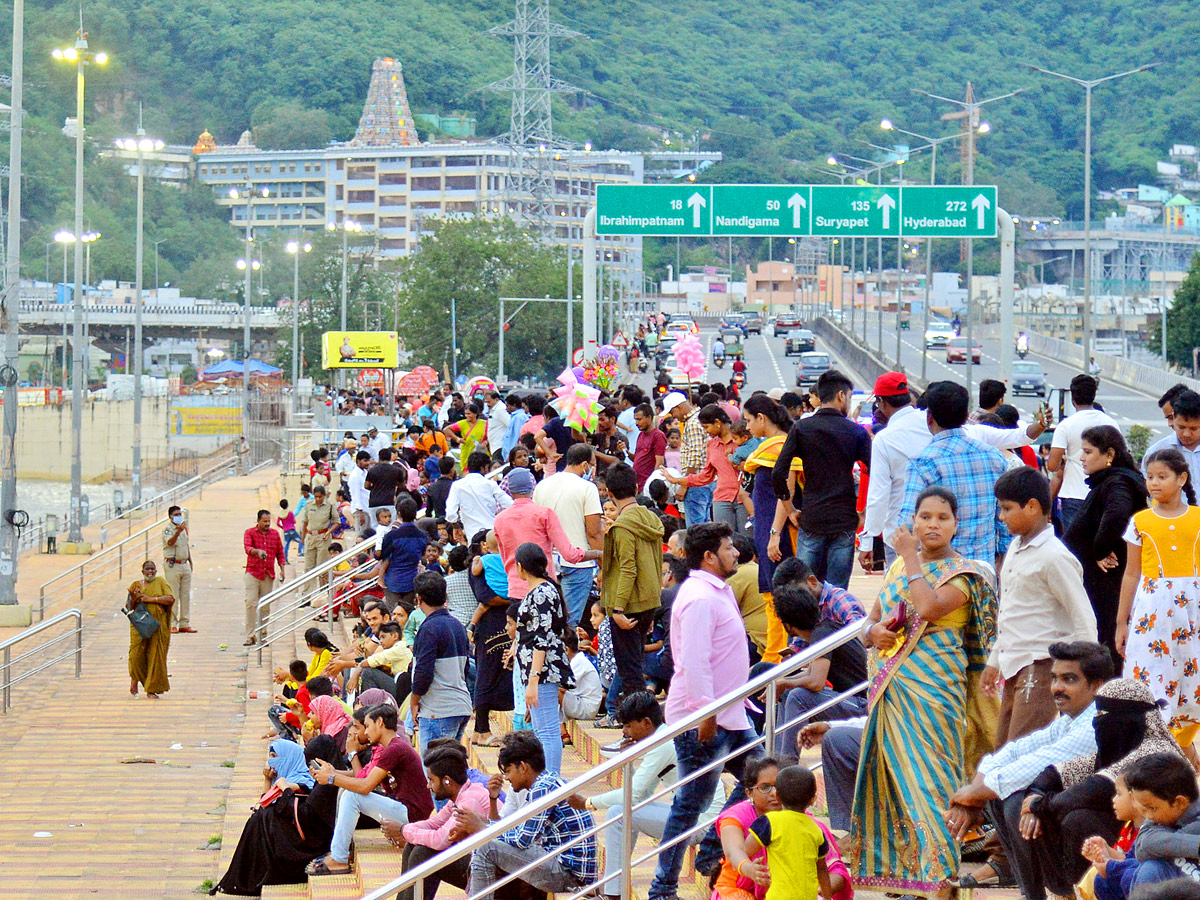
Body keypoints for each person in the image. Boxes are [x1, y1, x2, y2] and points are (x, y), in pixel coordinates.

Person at [849, 486, 999, 895]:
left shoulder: (966, 572)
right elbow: (874, 617)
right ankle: (904, 872)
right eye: (925, 516)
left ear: (956, 525)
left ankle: (940, 875)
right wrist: (871, 632)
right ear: (913, 520)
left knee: (933, 778)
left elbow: (930, 608)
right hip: (894, 687)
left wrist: (911, 556)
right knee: (896, 774)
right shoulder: (899, 567)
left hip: (936, 689)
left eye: (942, 518)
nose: (932, 524)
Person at [945, 640, 1115, 890]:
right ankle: (1034, 894)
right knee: (1007, 797)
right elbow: (1015, 751)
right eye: (1055, 678)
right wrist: (975, 795)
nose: (1057, 688)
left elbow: (1043, 763)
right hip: (1078, 811)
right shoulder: (1070, 719)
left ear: (1097, 686)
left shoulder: (1097, 723)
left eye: (1069, 680)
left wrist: (975, 794)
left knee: (1017, 800)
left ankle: (1059, 892)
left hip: (1108, 823)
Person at [646, 522, 755, 900]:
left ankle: (710, 851)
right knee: (690, 804)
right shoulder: (698, 597)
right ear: (709, 556)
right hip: (705, 720)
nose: (736, 552)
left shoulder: (715, 591)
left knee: (761, 779)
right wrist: (705, 716)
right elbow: (693, 663)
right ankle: (662, 888)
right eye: (728, 548)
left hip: (731, 715)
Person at [1009, 679, 1182, 900]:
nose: (1097, 722)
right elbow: (1056, 773)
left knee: (1078, 819)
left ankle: (1082, 892)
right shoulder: (1116, 750)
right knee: (1020, 804)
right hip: (1131, 841)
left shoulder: (1155, 750)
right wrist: (1035, 798)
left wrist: (1038, 804)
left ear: (1128, 717)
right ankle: (1056, 893)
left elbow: (1087, 792)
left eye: (1104, 714)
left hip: (1160, 852)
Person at [987, 466, 1098, 743]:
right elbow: (1009, 611)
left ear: (1033, 507)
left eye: (1007, 509)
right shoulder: (1014, 547)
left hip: (1042, 664)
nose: (1001, 517)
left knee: (1021, 753)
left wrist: (1089, 675)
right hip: (1013, 662)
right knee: (1003, 749)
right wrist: (994, 660)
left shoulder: (1054, 557)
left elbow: (1083, 616)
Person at [591, 692, 727, 900]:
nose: (625, 733)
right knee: (624, 810)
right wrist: (628, 759)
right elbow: (641, 794)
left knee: (618, 812)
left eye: (628, 726)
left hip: (702, 824)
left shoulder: (663, 743)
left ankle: (613, 892)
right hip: (692, 817)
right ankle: (614, 888)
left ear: (646, 723)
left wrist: (588, 802)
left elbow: (634, 794)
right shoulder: (661, 737)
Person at [457, 731, 597, 900]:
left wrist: (483, 828)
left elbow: (522, 840)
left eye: (508, 771)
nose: (507, 778)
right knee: (488, 842)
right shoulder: (547, 782)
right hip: (564, 866)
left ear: (523, 767)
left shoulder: (542, 788)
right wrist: (487, 819)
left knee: (486, 846)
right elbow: (515, 833)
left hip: (569, 874)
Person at [1117, 447, 1200, 732]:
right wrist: (1121, 622)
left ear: (1181, 478)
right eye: (1149, 477)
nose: (1154, 483)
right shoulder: (1140, 522)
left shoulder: (1198, 518)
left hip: (1193, 611)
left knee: (1191, 674)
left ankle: (1185, 743)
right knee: (1152, 673)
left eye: (1162, 476)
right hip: (1152, 613)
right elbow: (1131, 573)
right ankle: (1153, 741)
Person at [306, 703, 433, 877]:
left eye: (367, 726)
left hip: (413, 815)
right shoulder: (390, 747)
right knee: (347, 792)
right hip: (404, 809)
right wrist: (332, 772)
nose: (365, 732)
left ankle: (339, 857)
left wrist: (332, 778)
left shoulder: (395, 749)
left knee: (352, 795)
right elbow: (362, 777)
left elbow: (365, 786)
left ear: (379, 722)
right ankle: (339, 851)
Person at [771, 370, 871, 589]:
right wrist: (864, 513)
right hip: (844, 519)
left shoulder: (801, 428)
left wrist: (790, 510)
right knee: (836, 592)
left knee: (805, 587)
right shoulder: (856, 432)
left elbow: (778, 473)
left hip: (811, 517)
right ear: (841, 396)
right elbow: (875, 473)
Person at [1063, 425, 1149, 665]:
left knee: (1107, 639)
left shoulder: (1118, 483)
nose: (1081, 457)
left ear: (1109, 455)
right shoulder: (1110, 480)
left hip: (1107, 580)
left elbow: (1118, 514)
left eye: (1088, 452)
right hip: (1097, 580)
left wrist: (1100, 549)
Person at [898, 380, 1008, 566]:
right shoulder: (994, 456)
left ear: (929, 418)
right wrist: (1001, 561)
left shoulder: (923, 463)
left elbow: (909, 525)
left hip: (940, 572)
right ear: (966, 417)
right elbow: (1004, 520)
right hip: (983, 570)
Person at [212, 738, 340, 896]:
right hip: (307, 838)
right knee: (262, 819)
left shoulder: (321, 784)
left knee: (264, 820)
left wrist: (286, 789)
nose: (270, 762)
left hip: (314, 845)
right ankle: (249, 875)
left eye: (275, 756)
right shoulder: (319, 782)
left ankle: (250, 876)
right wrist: (269, 781)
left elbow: (307, 817)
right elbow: (265, 804)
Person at [769, 561, 867, 761]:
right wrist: (782, 682)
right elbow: (809, 674)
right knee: (787, 689)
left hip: (863, 703)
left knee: (797, 695)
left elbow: (816, 681)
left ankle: (785, 763)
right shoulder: (821, 629)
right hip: (848, 697)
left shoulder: (823, 632)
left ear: (789, 626)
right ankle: (773, 755)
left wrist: (784, 682)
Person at [390, 742, 492, 900]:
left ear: (446, 781)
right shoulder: (460, 795)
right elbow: (433, 823)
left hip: (489, 870)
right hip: (477, 861)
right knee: (414, 845)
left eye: (431, 780)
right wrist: (406, 830)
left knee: (425, 852)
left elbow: (440, 840)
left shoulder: (469, 801)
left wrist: (403, 830)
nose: (428, 786)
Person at [740, 394, 800, 663]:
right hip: (766, 530)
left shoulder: (782, 447)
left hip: (779, 534)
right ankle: (773, 654)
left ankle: (779, 657)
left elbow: (784, 494)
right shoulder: (771, 447)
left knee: (780, 595)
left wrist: (775, 533)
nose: (747, 427)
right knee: (770, 593)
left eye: (749, 421)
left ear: (762, 418)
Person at [600, 463, 664, 708]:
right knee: (635, 664)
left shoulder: (623, 525)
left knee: (630, 672)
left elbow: (628, 568)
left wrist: (617, 609)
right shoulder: (650, 517)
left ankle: (641, 726)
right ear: (637, 487)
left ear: (610, 494)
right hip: (648, 599)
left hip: (627, 604)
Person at [512, 542, 575, 775]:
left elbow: (541, 637)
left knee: (547, 729)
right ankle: (546, 779)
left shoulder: (542, 592)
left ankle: (551, 780)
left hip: (544, 670)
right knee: (540, 728)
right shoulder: (540, 590)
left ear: (521, 567)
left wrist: (533, 679)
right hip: (536, 669)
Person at [533, 444, 604, 629]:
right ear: (584, 465)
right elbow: (594, 531)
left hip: (548, 562)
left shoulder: (543, 485)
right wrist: (604, 562)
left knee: (548, 619)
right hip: (579, 562)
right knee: (569, 623)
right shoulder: (587, 488)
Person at [743, 765, 836, 900]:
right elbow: (822, 869)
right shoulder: (816, 830)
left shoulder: (769, 822)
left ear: (777, 796)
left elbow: (746, 850)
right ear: (813, 799)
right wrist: (828, 897)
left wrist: (751, 867)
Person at [1048, 374, 1120, 534]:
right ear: (1094, 396)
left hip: (1073, 496)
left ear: (1072, 398)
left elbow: (1052, 465)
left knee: (1075, 550)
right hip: (1104, 495)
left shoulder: (1066, 425)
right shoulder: (1111, 423)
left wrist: (1065, 460)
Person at [409, 571, 473, 746]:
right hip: (460, 705)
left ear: (419, 598)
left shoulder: (428, 628)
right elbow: (466, 668)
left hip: (438, 711)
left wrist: (414, 702)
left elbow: (423, 671)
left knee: (433, 770)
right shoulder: (458, 625)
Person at [661, 404, 747, 533]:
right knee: (725, 540)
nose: (706, 431)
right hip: (721, 498)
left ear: (717, 423)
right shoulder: (712, 445)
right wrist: (677, 481)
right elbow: (706, 476)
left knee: (747, 540)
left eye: (706, 427)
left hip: (744, 497)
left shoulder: (742, 440)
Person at [1121, 752, 1200, 890]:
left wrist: (1165, 845)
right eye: (1145, 809)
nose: (1149, 817)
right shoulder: (1160, 820)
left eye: (1152, 808)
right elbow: (1144, 845)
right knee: (1149, 869)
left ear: (1179, 802)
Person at [662, 392, 713, 526]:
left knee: (696, 527)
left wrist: (685, 484)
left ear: (679, 407)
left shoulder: (692, 424)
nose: (674, 417)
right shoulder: (698, 419)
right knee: (704, 524)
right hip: (704, 480)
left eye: (672, 413)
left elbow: (695, 457)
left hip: (696, 482)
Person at [127, 560, 174, 698]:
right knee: (135, 656)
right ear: (143, 572)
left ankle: (151, 689)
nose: (150, 572)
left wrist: (151, 600)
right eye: (147, 569)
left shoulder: (160, 582)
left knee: (155, 656)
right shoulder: (136, 585)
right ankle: (134, 680)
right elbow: (129, 606)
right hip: (139, 625)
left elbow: (170, 599)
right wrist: (134, 598)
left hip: (157, 625)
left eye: (153, 569)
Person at [447, 451, 513, 539]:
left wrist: (456, 526)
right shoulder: (490, 484)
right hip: (491, 533)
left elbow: (450, 513)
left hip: (472, 536)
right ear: (484, 468)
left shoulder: (457, 485)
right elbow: (509, 504)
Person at [244, 509, 286, 647]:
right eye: (265, 521)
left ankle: (262, 635)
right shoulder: (249, 533)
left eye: (269, 521)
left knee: (265, 606)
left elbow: (280, 552)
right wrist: (257, 552)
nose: (267, 524)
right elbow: (248, 548)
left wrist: (282, 569)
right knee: (251, 603)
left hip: (268, 574)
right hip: (252, 572)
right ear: (258, 521)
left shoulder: (274, 534)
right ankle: (250, 635)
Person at [1143, 387, 1200, 488]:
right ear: (1173, 418)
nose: (1186, 434)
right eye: (1181, 427)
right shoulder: (1157, 452)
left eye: (1194, 429)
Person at [378, 497, 427, 608]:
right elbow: (422, 555)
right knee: (407, 612)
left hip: (392, 581)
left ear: (399, 514)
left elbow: (383, 556)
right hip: (411, 580)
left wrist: (380, 577)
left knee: (394, 614)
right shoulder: (422, 536)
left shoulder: (392, 536)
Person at [161, 504, 194, 634]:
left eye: (180, 514)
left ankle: (184, 623)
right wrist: (178, 531)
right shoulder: (168, 529)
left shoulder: (184, 529)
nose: (179, 517)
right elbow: (170, 542)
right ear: (170, 517)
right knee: (173, 594)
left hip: (184, 563)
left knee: (185, 595)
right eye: (176, 515)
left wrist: (190, 561)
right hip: (172, 565)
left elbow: (185, 545)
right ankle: (172, 623)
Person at [302, 484, 336, 584]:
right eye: (316, 496)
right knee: (308, 567)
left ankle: (323, 591)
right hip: (311, 536)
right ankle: (307, 595)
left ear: (324, 496)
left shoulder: (329, 506)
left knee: (322, 566)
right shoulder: (309, 505)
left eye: (320, 497)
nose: (318, 499)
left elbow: (336, 522)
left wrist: (329, 532)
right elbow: (305, 522)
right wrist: (303, 537)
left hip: (323, 536)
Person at [631, 402, 667, 491]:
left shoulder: (658, 436)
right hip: (637, 484)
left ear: (649, 418)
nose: (636, 423)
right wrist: (626, 452)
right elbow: (637, 458)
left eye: (639, 419)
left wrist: (652, 483)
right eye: (635, 420)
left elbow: (659, 462)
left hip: (647, 485)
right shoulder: (640, 435)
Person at [484, 391, 512, 463]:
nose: (487, 404)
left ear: (496, 399)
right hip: (494, 445)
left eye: (489, 402)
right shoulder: (494, 409)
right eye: (486, 402)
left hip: (500, 445)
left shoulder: (500, 410)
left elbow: (510, 425)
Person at [426, 456, 456, 521]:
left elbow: (428, 512)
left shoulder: (432, 487)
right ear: (452, 470)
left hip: (438, 522)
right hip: (453, 522)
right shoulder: (455, 486)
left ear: (439, 469)